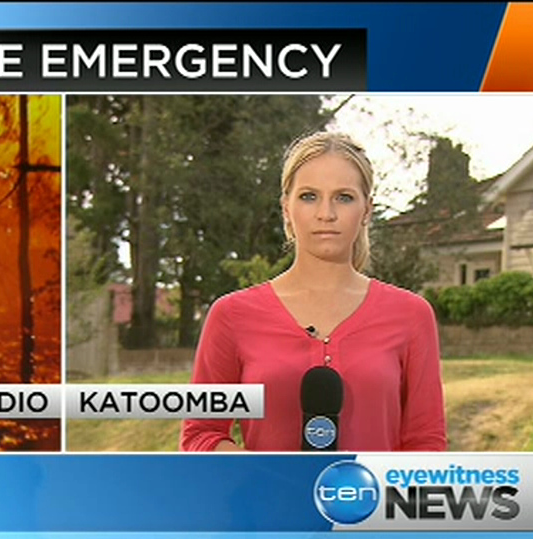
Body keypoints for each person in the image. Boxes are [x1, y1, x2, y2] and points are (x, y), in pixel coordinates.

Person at [180, 132, 446, 451]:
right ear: (286, 209)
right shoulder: (231, 315)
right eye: (309, 196)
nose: (326, 214)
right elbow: (201, 434)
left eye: (343, 197)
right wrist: (258, 473)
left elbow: (426, 443)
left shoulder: (411, 315)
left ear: (366, 210)